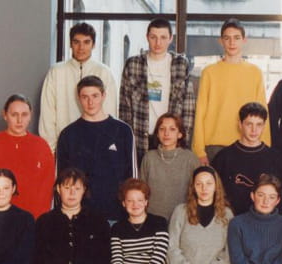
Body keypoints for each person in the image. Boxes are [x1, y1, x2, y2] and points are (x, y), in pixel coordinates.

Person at [56, 75, 137, 222]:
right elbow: (61, 180)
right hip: (79, 217)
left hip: (115, 215)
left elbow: (132, 178)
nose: (90, 102)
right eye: (85, 97)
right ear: (78, 98)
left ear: (104, 96)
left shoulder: (123, 131)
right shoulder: (68, 134)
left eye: (95, 96)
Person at [192, 18, 270, 165]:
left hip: (247, 144)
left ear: (244, 40)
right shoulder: (209, 72)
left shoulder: (255, 72)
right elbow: (200, 113)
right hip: (214, 146)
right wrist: (199, 150)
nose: (232, 43)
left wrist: (265, 147)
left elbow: (262, 113)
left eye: (236, 38)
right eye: (227, 38)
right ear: (221, 41)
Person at [119, 18, 197, 162]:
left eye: (163, 37)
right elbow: (125, 106)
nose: (158, 43)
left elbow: (188, 107)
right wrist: (126, 138)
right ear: (147, 37)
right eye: (153, 37)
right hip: (140, 135)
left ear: (170, 38)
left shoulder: (180, 65)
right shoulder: (133, 64)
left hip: (170, 138)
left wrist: (183, 139)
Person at [0, 94, 55, 219]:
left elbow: (46, 193)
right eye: (14, 115)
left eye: (24, 115)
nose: (19, 120)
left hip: (30, 221)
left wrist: (40, 223)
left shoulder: (41, 146)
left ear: (31, 115)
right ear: (5, 115)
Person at [39, 22, 118, 152]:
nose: (81, 47)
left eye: (86, 42)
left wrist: (105, 147)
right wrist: (51, 150)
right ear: (70, 44)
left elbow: (110, 112)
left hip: (97, 146)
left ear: (93, 45)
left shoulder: (104, 73)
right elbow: (47, 114)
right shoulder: (56, 72)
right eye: (76, 42)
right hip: (64, 146)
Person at [212, 102, 282, 216]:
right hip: (230, 221)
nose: (254, 130)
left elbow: (281, 195)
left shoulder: (275, 158)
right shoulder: (223, 157)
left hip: (264, 222)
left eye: (259, 125)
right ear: (240, 125)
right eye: (249, 124)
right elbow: (214, 194)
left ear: (264, 126)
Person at [139, 112, 200, 223]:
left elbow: (197, 193)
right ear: (157, 134)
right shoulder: (149, 158)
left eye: (172, 129)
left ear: (180, 134)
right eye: (162, 129)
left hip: (182, 219)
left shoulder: (190, 159)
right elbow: (141, 191)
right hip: (152, 219)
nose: (166, 133)